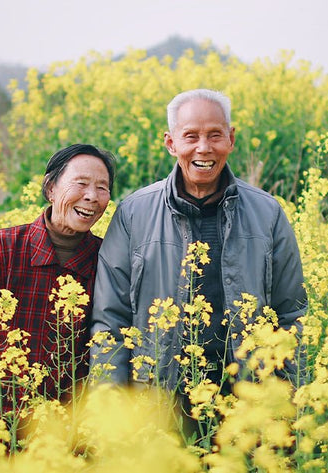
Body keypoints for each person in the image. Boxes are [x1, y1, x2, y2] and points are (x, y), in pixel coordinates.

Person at [89, 89, 307, 396]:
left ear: (231, 139)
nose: (203, 148)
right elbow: (110, 320)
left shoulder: (267, 213)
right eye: (191, 136)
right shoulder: (133, 213)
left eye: (215, 135)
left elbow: (291, 315)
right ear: (171, 143)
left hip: (248, 400)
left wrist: (288, 404)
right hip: (160, 401)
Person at [0, 143, 115, 429]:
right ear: (50, 189)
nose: (91, 197)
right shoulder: (2, 248)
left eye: (102, 188)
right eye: (81, 184)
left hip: (64, 437)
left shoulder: (108, 259)